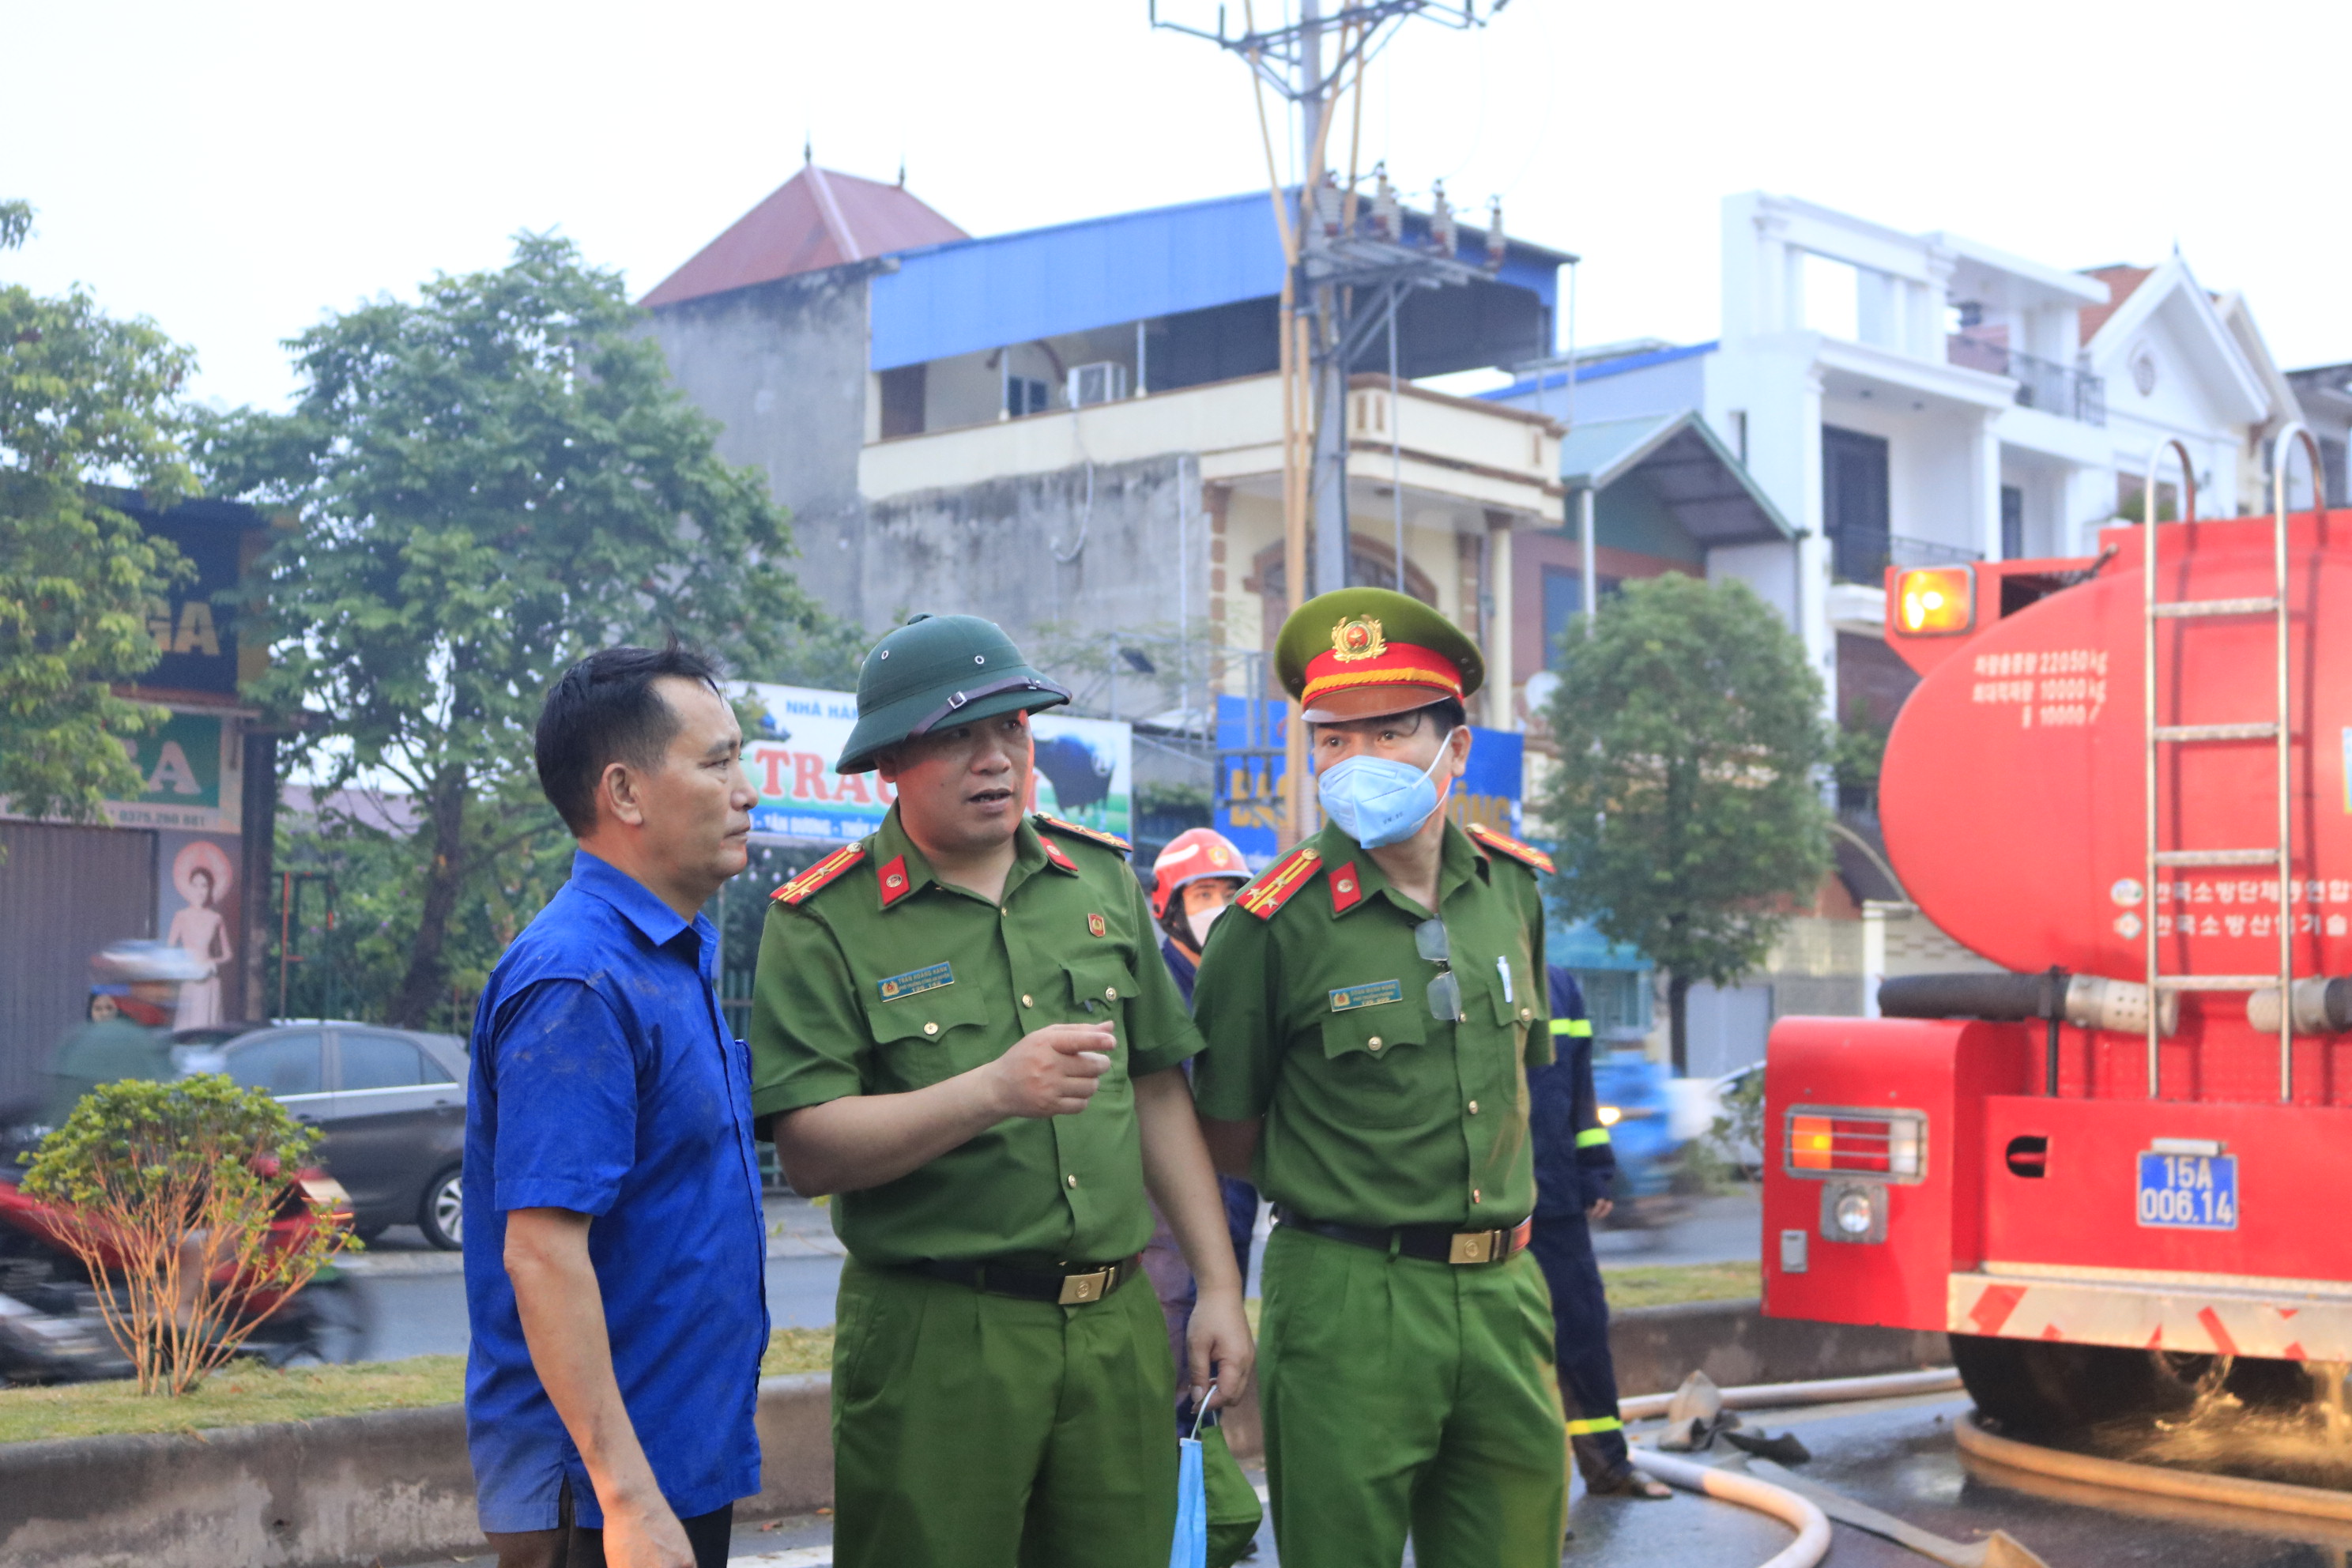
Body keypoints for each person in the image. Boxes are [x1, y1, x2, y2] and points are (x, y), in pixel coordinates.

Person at [749, 612, 1253, 1568]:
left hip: (1115, 1321)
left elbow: (1155, 1092)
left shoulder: (1097, 879)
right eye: (957, 736)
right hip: (939, 1335)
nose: (996, 759)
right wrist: (990, 1090)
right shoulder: (825, 920)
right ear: (890, 760)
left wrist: (1220, 1283)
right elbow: (810, 1150)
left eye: (1013, 730)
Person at [1192, 586, 1567, 1568]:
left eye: (1390, 731)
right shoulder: (1269, 927)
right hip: (1350, 1296)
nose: (1354, 763)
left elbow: (1521, 1089)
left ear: (1458, 747)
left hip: (1504, 1290)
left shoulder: (1512, 892)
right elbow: (1228, 1134)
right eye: (1331, 740)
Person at [463, 643, 768, 1568]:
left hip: (673, 1467)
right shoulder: (580, 978)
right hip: (601, 1501)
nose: (746, 786)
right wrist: (626, 1493)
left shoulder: (668, 954)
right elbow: (544, 1254)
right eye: (716, 761)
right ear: (625, 793)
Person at [1142, 827, 1265, 1567]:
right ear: (1168, 909)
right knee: (1220, 1523)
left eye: (1229, 894)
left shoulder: (1235, 984)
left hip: (1227, 1231)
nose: (1219, 908)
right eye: (1204, 894)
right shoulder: (1159, 990)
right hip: (1164, 1257)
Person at [1528, 967, 1672, 1502]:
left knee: (1583, 1333)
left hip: (1556, 1196)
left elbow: (1579, 1085)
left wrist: (1593, 1164)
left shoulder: (1559, 985)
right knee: (1505, 1356)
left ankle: (1608, 1467)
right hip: (1482, 1208)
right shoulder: (1454, 967)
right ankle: (1519, 1501)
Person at [42, 941, 198, 1126]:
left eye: (171, 987)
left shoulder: (91, 1033)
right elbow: (164, 1111)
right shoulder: (126, 1040)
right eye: (157, 985)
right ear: (133, 987)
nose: (167, 995)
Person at [167, 865, 229, 1030]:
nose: (200, 890)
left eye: (204, 886)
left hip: (209, 981)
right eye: (195, 885)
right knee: (189, 1029)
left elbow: (227, 954)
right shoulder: (181, 917)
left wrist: (211, 963)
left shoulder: (216, 918)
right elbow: (170, 949)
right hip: (190, 979)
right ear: (189, 887)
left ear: (210, 889)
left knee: (207, 1030)